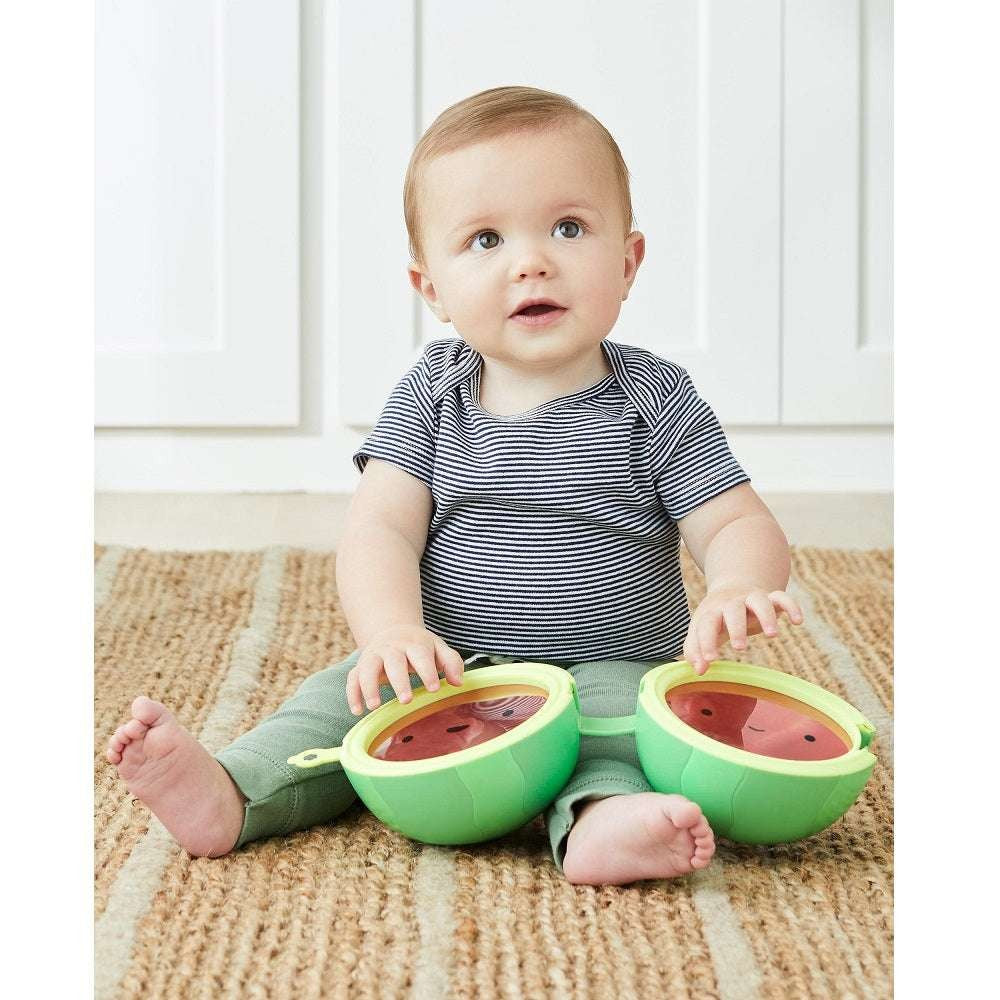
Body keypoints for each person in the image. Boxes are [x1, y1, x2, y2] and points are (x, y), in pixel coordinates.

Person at [106, 85, 804, 886]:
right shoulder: (434, 394)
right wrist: (392, 634)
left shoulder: (655, 399)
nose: (531, 260)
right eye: (484, 239)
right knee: (335, 703)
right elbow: (380, 532)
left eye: (568, 228)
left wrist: (738, 586)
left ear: (628, 261)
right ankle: (234, 792)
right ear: (430, 286)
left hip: (610, 667)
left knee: (628, 732)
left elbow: (735, 521)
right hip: (449, 668)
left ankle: (601, 824)